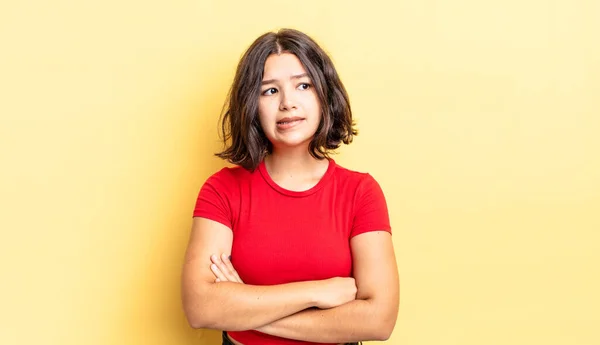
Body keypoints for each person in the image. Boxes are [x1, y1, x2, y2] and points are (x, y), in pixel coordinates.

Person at [181, 28, 399, 345]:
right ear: (250, 105)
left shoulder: (360, 192)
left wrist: (243, 308)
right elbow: (200, 308)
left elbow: (379, 321)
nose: (288, 103)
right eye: (269, 91)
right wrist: (319, 291)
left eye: (303, 85)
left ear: (325, 95)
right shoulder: (222, 190)